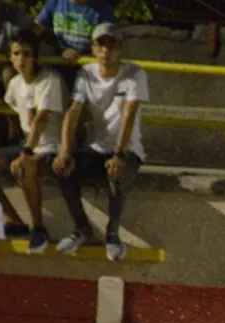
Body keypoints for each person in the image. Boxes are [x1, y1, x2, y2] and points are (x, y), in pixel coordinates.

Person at [52, 23, 147, 261]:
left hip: (128, 148)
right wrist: (65, 152)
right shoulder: (86, 73)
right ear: (93, 49)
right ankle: (81, 228)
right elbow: (73, 113)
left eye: (111, 45)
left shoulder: (135, 73)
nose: (106, 51)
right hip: (99, 147)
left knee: (117, 174)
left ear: (121, 48)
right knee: (62, 169)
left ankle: (112, 233)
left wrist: (120, 155)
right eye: (100, 45)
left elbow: (129, 115)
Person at [0, 30, 65, 252]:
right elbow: (9, 104)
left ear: (35, 57)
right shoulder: (15, 84)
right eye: (16, 54)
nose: (21, 59)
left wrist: (26, 152)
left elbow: (41, 120)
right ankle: (14, 220)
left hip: (53, 148)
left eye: (26, 54)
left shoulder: (49, 80)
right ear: (10, 57)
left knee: (24, 167)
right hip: (30, 146)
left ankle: (38, 229)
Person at [34, 0, 114, 78]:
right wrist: (63, 49)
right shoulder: (55, 2)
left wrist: (82, 56)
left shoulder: (103, 7)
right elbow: (36, 29)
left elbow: (109, 43)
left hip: (89, 71)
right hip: (58, 68)